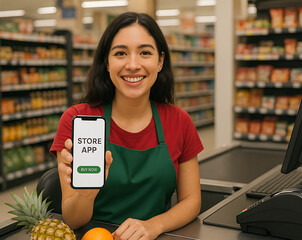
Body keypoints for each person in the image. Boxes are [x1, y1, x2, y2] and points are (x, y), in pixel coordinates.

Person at [50, 12, 203, 240]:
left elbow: (191, 200)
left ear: (160, 61)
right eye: (120, 53)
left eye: (145, 53)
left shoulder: (179, 121)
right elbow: (73, 220)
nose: (133, 65)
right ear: (107, 62)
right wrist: (86, 195)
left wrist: (154, 225)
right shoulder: (76, 120)